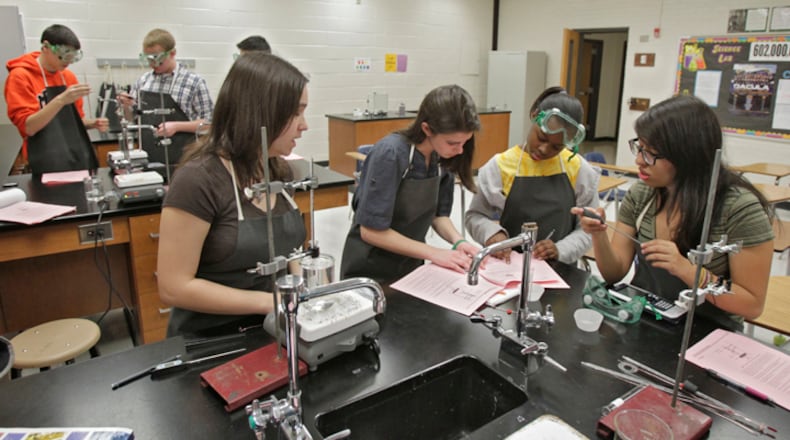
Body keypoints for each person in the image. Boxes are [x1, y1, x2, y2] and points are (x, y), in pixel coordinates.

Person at [572, 95, 774, 330]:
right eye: (640, 147)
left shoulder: (738, 210)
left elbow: (752, 304)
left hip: (707, 331)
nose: (639, 160)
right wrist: (599, 235)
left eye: (651, 153)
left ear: (686, 155)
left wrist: (688, 270)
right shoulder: (643, 194)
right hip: (650, 318)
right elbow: (614, 274)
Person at [157, 53, 309, 338]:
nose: (304, 125)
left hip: (273, 328)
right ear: (262, 112)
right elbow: (173, 286)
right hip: (211, 339)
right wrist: (270, 302)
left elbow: (291, 253)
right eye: (296, 112)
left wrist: (302, 290)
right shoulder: (199, 179)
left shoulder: (277, 170)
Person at [340, 84, 482, 282]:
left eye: (465, 143)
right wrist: (434, 253)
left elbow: (438, 216)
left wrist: (458, 242)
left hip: (411, 263)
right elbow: (371, 232)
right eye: (453, 143)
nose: (460, 151)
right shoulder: (391, 154)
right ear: (427, 129)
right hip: (370, 268)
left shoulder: (440, 158)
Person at [465, 86, 600, 264]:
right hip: (508, 267)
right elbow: (475, 216)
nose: (544, 149)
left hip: (559, 270)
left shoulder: (578, 169)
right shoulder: (500, 166)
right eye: (542, 138)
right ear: (535, 115)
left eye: (556, 147)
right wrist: (492, 234)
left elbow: (587, 229)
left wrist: (561, 250)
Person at [5, 24, 108, 173]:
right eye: (64, 55)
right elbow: (29, 127)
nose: (68, 62)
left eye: (72, 57)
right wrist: (61, 100)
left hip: (76, 158)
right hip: (44, 161)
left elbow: (73, 122)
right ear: (46, 47)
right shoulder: (20, 77)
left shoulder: (68, 77)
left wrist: (92, 123)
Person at [118, 28, 213, 144]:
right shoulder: (142, 82)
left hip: (184, 152)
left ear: (172, 53)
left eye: (158, 60)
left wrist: (177, 126)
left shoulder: (194, 82)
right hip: (149, 151)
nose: (153, 64)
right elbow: (131, 119)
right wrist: (126, 106)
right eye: (149, 60)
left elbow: (209, 123)